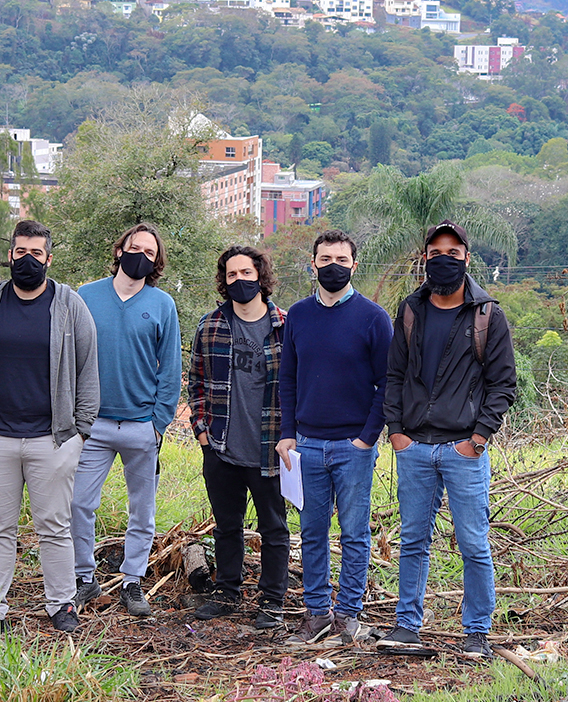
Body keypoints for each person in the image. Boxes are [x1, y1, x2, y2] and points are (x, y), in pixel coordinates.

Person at [379, 222, 518, 660]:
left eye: (453, 252)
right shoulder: (410, 310)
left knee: (473, 542)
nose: (444, 258)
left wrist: (477, 440)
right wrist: (396, 433)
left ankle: (476, 632)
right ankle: (407, 626)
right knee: (414, 539)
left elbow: (503, 385)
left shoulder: (487, 315)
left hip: (463, 449)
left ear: (466, 258)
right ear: (424, 259)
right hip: (414, 447)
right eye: (435, 251)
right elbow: (394, 376)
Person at [0, 220, 98, 635]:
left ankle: (62, 604)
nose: (27, 260)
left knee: (54, 528)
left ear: (49, 259)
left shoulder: (70, 305)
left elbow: (88, 369)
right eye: (21, 252)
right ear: (10, 254)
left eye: (36, 253)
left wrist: (79, 433)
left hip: (52, 440)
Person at [276, 230, 393, 645]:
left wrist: (366, 437)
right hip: (306, 444)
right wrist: (288, 434)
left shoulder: (373, 317)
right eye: (325, 260)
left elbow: (388, 383)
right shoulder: (299, 316)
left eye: (341, 260)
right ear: (313, 263)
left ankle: (347, 616)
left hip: (352, 448)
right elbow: (287, 377)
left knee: (355, 533)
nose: (333, 267)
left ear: (354, 265)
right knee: (311, 533)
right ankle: (316, 614)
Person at [71, 222, 181, 624]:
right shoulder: (85, 296)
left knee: (143, 512)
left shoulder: (162, 304)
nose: (140, 256)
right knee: (79, 503)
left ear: (156, 262)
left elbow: (170, 369)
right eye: (135, 248)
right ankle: (85, 577)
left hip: (141, 426)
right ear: (119, 250)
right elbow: (71, 356)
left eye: (149, 252)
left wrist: (158, 422)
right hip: (93, 425)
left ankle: (132, 580)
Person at [189, 245, 289, 630]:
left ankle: (272, 600)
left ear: (260, 276)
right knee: (226, 525)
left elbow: (296, 386)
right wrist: (201, 432)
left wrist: (292, 435)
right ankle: (228, 592)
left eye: (246, 273)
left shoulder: (286, 325)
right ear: (224, 281)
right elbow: (196, 381)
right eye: (231, 275)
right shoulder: (210, 325)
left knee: (274, 529)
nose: (239, 281)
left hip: (270, 448)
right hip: (221, 448)